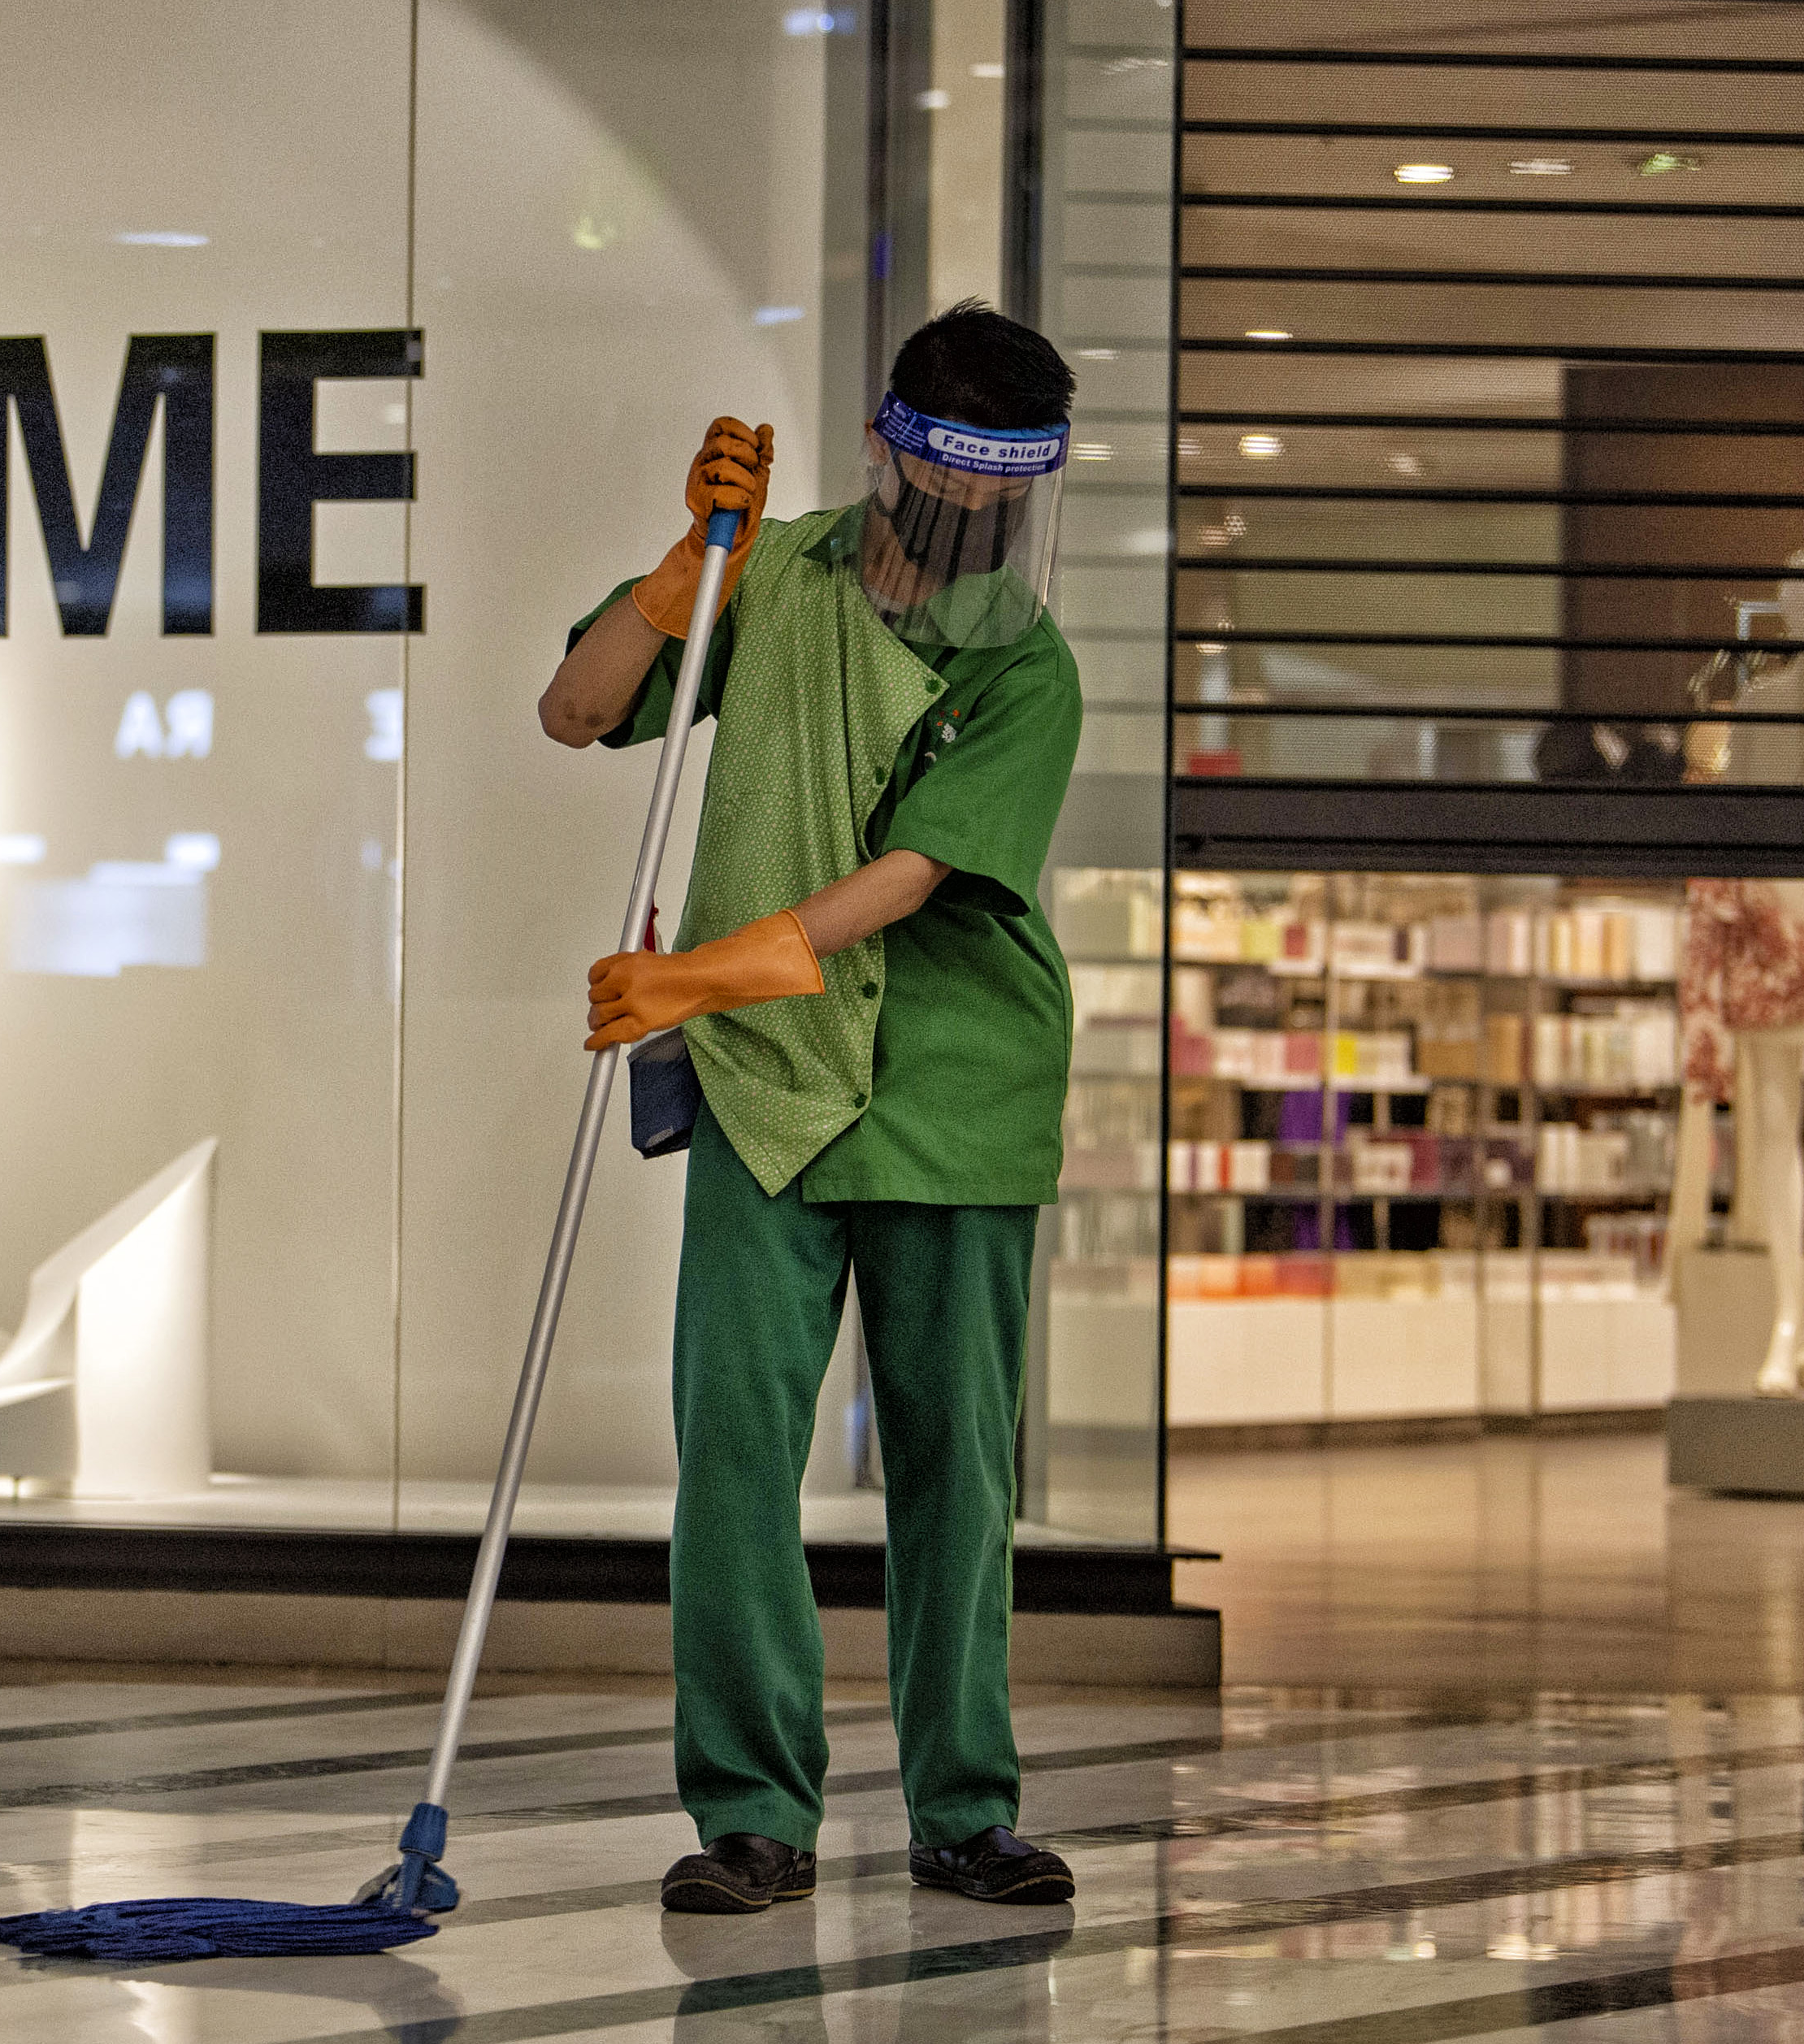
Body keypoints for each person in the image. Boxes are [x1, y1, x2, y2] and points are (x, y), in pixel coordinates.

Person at [539, 300, 1085, 1916]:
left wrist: (697, 977)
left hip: (953, 1094)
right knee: (732, 1453)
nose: (975, 521)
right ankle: (751, 1813)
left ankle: (963, 1807)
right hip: (767, 1086)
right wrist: (675, 576)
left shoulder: (1026, 663)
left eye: (1007, 494)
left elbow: (912, 875)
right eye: (953, 482)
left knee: (953, 1469)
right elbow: (577, 708)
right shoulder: (766, 576)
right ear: (885, 447)